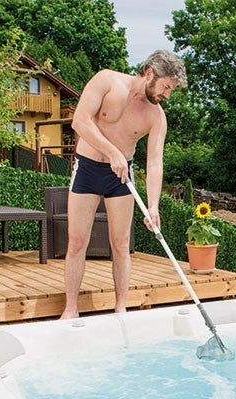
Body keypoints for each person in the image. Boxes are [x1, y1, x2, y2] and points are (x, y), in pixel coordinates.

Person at [60, 50, 187, 319]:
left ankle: (121, 309)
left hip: (121, 178)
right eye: (166, 87)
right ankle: (71, 309)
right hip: (88, 169)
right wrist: (112, 152)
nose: (167, 95)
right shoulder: (106, 81)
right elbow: (79, 122)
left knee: (120, 244)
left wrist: (153, 207)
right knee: (77, 241)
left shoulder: (157, 116)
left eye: (171, 90)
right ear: (150, 73)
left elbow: (154, 162)